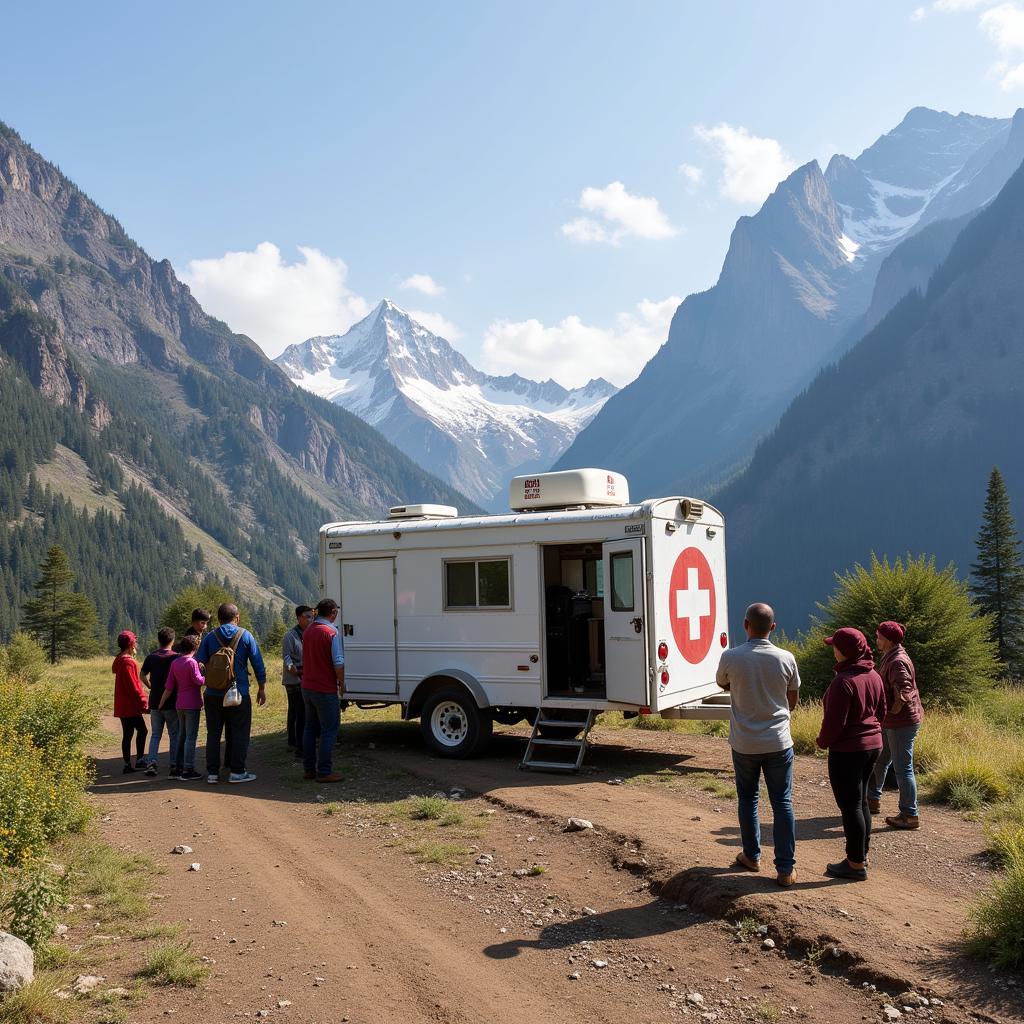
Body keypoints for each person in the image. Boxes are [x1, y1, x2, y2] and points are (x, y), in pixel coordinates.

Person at [716, 602, 800, 887]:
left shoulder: (731, 657)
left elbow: (721, 683)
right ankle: (786, 869)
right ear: (773, 628)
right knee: (782, 803)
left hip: (744, 743)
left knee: (748, 799)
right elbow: (792, 699)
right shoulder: (786, 658)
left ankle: (751, 856)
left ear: (745, 625)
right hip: (778, 741)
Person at [816, 627, 887, 881]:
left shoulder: (843, 682)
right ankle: (861, 856)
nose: (833, 649)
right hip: (873, 746)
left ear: (844, 651)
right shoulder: (873, 674)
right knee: (861, 802)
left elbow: (835, 723)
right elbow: (882, 711)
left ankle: (855, 864)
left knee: (850, 806)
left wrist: (822, 742)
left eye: (835, 646)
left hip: (848, 751)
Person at [196, 603, 267, 784]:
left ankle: (212, 773)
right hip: (238, 692)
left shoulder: (210, 636)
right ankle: (237, 771)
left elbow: (199, 663)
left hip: (213, 693)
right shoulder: (245, 635)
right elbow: (257, 663)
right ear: (237, 617)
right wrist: (261, 687)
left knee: (213, 733)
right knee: (239, 732)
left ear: (219, 619)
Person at [868, 621, 924, 830]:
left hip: (901, 723)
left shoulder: (897, 661)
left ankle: (910, 815)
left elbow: (904, 689)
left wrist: (893, 709)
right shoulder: (893, 655)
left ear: (888, 640)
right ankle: (872, 799)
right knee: (881, 759)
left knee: (903, 769)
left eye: (879, 637)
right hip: (893, 722)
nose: (876, 640)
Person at [301, 598, 345, 783]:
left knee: (310, 728)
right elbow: (338, 662)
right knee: (329, 729)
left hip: (307, 686)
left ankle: (309, 769)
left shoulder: (308, 630)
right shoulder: (331, 632)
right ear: (333, 612)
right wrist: (341, 682)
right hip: (325, 689)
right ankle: (325, 771)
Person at [160, 634, 205, 781]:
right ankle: (188, 769)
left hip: (179, 703)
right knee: (191, 737)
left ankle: (176, 768)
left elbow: (169, 686)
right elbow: (198, 681)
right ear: (195, 647)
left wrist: (161, 703)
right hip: (192, 703)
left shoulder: (175, 662)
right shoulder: (192, 662)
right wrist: (207, 675)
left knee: (181, 735)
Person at [140, 627, 180, 777]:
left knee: (156, 734)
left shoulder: (151, 657)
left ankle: (151, 763)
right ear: (173, 640)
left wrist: (150, 686)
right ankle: (174, 764)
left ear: (159, 640)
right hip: (171, 701)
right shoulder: (176, 657)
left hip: (155, 700)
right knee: (174, 734)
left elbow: (142, 675)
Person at [113, 630, 149, 774]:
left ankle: (127, 764)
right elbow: (134, 686)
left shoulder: (119, 660)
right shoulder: (129, 662)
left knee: (127, 734)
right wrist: (144, 703)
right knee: (143, 730)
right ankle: (139, 761)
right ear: (131, 644)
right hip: (131, 705)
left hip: (122, 704)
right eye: (135, 641)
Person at [282, 605, 312, 757]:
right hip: (293, 678)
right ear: (299, 617)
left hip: (306, 676)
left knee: (300, 711)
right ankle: (294, 743)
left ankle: (296, 741)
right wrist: (291, 668)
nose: (310, 619)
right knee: (296, 710)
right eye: (307, 616)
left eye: (311, 616)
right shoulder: (290, 636)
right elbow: (286, 656)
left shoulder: (309, 633)